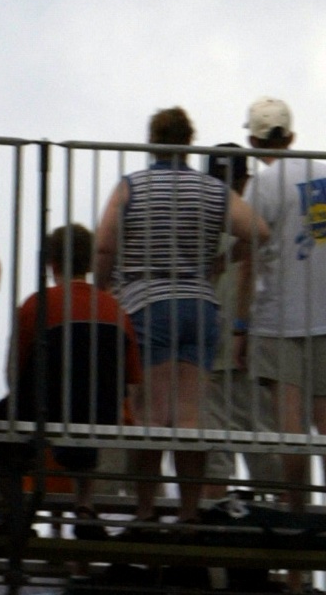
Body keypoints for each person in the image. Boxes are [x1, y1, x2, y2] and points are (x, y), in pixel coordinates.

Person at [93, 106, 266, 525]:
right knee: (189, 417)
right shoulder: (211, 190)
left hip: (146, 301)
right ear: (189, 143)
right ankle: (190, 514)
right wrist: (220, 261)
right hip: (199, 304)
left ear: (152, 142)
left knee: (151, 414)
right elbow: (259, 232)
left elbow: (103, 245)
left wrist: (101, 292)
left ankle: (147, 510)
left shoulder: (131, 187)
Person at [0, 224, 142, 539]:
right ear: (89, 263)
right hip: (99, 413)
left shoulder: (37, 305)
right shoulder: (116, 310)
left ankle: (17, 510)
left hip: (46, 410)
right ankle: (85, 506)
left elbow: (16, 371)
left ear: (52, 263)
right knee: (84, 422)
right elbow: (131, 377)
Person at [241, 97, 326, 512]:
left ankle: (295, 512)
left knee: (290, 425)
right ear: (292, 135)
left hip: (279, 316)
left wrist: (238, 325)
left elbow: (250, 249)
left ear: (253, 140)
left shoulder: (261, 184)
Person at [201, 144, 281, 499]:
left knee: (214, 451)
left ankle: (214, 521)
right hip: (253, 347)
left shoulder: (200, 224)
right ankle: (286, 519)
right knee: (268, 446)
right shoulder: (259, 220)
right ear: (246, 177)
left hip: (211, 350)